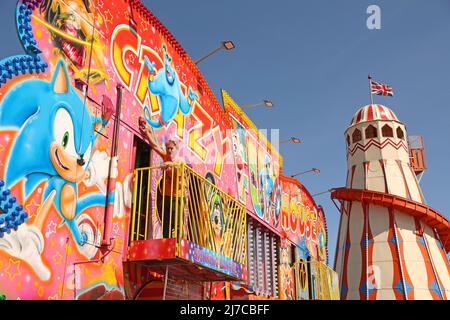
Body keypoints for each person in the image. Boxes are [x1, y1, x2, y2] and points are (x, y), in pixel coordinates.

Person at [139, 116, 183, 238]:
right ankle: (165, 241)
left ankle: (178, 243)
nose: (169, 150)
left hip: (177, 197)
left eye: (171, 148)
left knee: (177, 222)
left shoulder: (179, 160)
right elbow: (155, 146)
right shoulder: (166, 157)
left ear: (175, 149)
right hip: (166, 196)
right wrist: (147, 132)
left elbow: (178, 167)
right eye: (168, 148)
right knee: (166, 221)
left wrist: (168, 164)